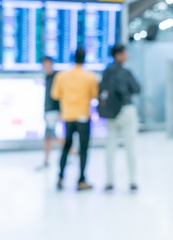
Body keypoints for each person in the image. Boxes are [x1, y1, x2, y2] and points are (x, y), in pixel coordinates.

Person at [51, 47, 98, 191]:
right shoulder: (90, 76)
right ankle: (81, 180)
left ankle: (60, 177)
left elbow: (55, 95)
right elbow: (94, 95)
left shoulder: (62, 76)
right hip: (83, 116)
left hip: (68, 116)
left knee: (66, 147)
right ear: (85, 59)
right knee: (83, 149)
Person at [102, 44, 141, 192]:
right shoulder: (125, 72)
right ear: (119, 55)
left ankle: (109, 180)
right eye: (125, 53)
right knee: (130, 146)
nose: (127, 55)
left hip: (111, 114)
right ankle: (133, 180)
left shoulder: (106, 72)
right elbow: (137, 88)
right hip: (126, 111)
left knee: (110, 146)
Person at [39, 56, 63, 169]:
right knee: (48, 137)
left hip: (54, 110)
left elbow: (59, 95)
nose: (44, 65)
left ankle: (72, 150)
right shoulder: (48, 77)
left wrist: (60, 111)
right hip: (48, 110)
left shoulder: (57, 77)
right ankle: (46, 160)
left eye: (46, 63)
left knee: (51, 135)